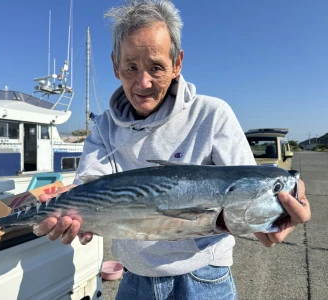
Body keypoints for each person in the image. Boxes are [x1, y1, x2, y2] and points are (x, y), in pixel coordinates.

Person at [33, 1, 311, 299]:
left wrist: (275, 217)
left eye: (156, 67)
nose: (143, 82)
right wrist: (72, 216)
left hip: (204, 281)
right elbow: (88, 188)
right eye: (131, 67)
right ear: (115, 66)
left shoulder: (212, 115)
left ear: (177, 63)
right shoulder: (103, 127)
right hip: (135, 276)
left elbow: (250, 187)